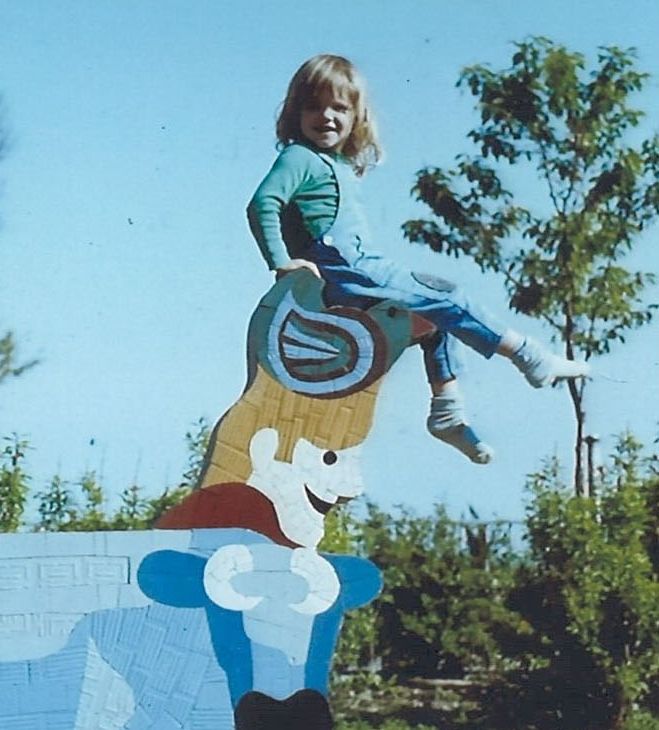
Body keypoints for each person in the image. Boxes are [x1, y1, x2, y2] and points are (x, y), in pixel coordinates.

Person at [247, 54, 587, 464]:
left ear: (357, 115)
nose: (327, 117)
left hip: (360, 267)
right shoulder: (298, 157)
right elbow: (263, 203)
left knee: (433, 321)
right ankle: (529, 356)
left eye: (340, 107)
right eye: (314, 106)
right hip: (348, 272)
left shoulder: (334, 164)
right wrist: (282, 262)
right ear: (295, 111)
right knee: (449, 297)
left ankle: (447, 411)